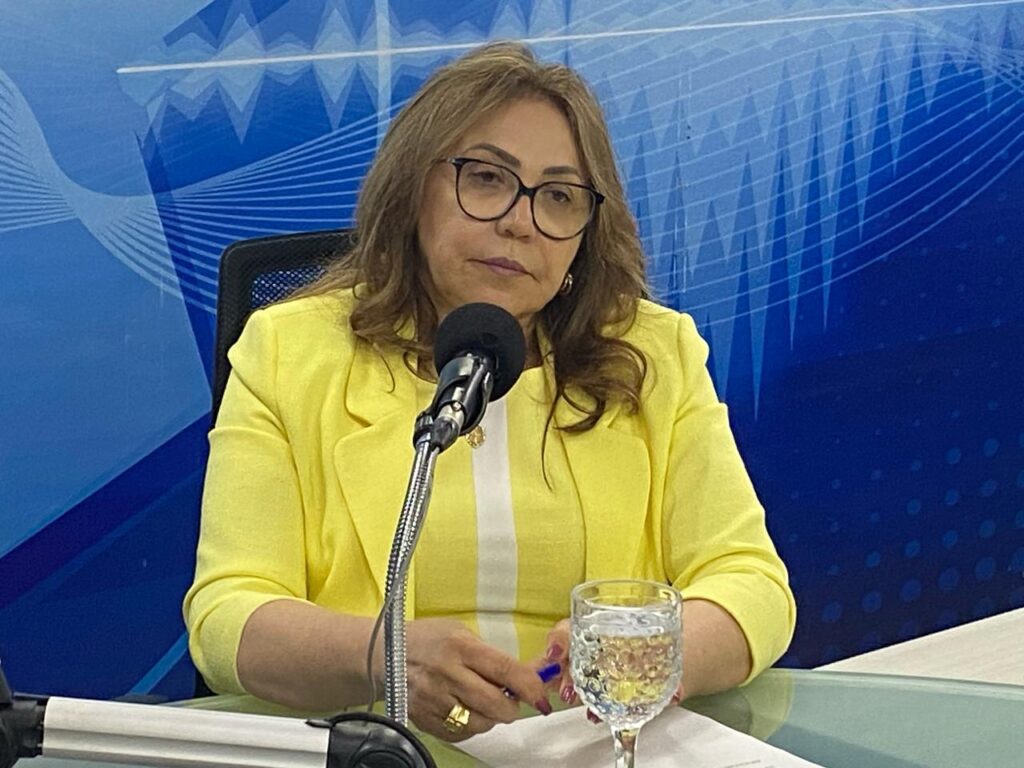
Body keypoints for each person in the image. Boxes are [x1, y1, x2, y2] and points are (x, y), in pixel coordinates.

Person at [183, 41, 796, 743]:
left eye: (559, 196)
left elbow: (751, 584)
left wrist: (647, 649)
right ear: (412, 191)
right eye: (486, 178)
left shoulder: (653, 353)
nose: (519, 221)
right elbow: (228, 616)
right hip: (378, 745)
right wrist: (384, 658)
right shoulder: (289, 352)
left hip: (593, 747)